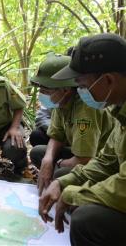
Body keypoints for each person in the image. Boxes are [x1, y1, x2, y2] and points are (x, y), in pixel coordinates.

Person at [39, 33, 126, 245]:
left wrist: (75, 194)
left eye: (83, 85)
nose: (80, 91)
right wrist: (64, 181)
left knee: (87, 220)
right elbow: (107, 162)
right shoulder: (120, 111)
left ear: (108, 80)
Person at [30, 53, 114, 195]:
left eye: (46, 91)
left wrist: (57, 164)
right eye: (40, 90)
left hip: (98, 161)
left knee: (61, 174)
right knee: (39, 153)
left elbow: (85, 159)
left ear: (65, 89)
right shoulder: (61, 101)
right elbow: (56, 135)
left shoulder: (86, 108)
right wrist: (48, 159)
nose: (41, 95)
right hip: (79, 151)